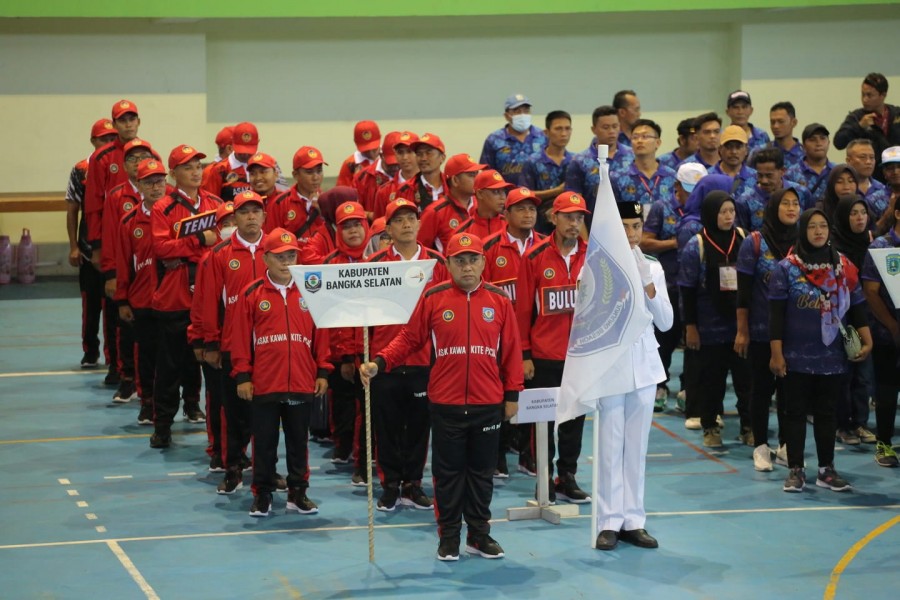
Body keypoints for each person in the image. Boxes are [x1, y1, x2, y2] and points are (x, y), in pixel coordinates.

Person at [360, 232, 524, 561]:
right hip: (446, 404)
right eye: (459, 260)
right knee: (447, 476)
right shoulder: (434, 298)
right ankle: (448, 537)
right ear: (446, 264)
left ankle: (479, 535)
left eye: (473, 259)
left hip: (487, 404)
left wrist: (512, 395)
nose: (467, 267)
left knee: (481, 474)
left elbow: (512, 353)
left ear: (483, 262)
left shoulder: (499, 301)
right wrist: (380, 362)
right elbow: (408, 338)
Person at [769, 209, 872, 492]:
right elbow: (776, 316)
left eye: (823, 226)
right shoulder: (786, 268)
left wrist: (867, 340)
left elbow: (859, 307)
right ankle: (796, 470)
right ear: (802, 231)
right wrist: (776, 354)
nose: (818, 231)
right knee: (795, 413)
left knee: (828, 414)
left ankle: (826, 470)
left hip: (833, 356)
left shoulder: (843, 267)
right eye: (812, 226)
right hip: (795, 357)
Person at [231, 228, 331, 516]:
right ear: (266, 258)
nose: (286, 260)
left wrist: (323, 371)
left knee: (299, 442)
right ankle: (262, 494)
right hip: (264, 383)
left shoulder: (310, 291)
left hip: (301, 381)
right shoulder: (251, 293)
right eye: (280, 256)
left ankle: (298, 493)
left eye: (291, 255)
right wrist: (243, 376)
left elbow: (321, 334)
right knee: (264, 443)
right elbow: (240, 338)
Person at [593, 200, 673, 552]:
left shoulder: (653, 267)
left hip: (643, 364)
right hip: (611, 364)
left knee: (636, 447)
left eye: (636, 227)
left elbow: (667, 322)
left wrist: (648, 286)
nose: (631, 234)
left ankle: (633, 521)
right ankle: (608, 522)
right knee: (610, 445)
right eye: (624, 227)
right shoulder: (596, 265)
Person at [366, 198, 448, 511]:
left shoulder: (437, 264)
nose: (406, 224)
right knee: (386, 429)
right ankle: (389, 485)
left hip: (424, 361)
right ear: (387, 228)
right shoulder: (374, 265)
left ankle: (413, 483)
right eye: (398, 220)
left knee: (418, 427)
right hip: (383, 360)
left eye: (411, 218)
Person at [515, 192, 591, 503]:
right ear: (553, 218)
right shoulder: (533, 257)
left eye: (580, 218)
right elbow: (521, 311)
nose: (575, 223)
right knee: (543, 420)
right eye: (569, 217)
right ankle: (543, 478)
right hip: (544, 356)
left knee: (575, 419)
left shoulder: (594, 256)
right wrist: (524, 354)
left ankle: (567, 475)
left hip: (581, 355)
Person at [148, 144, 221, 448]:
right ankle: (162, 425)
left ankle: (218, 436)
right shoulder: (162, 207)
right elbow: (162, 249)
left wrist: (189, 248)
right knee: (169, 367)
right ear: (173, 173)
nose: (195, 172)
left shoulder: (216, 203)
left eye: (198, 166)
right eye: (188, 167)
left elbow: (225, 240)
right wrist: (198, 241)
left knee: (215, 370)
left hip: (210, 297)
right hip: (176, 297)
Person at [199, 190, 269, 491]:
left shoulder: (279, 251)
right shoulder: (218, 255)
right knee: (233, 412)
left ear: (264, 215)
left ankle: (266, 470)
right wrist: (211, 343)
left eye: (256, 211)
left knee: (268, 412)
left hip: (271, 348)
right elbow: (207, 301)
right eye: (244, 212)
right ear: (234, 218)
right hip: (232, 347)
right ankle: (234, 467)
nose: (251, 217)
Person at [678, 190, 752, 447]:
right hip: (709, 326)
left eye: (731, 211)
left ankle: (748, 427)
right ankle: (710, 426)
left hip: (741, 324)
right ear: (711, 213)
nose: (729, 216)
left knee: (746, 380)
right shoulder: (695, 245)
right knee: (712, 381)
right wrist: (691, 328)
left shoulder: (745, 239)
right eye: (723, 212)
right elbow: (686, 289)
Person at [735, 188, 800, 470]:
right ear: (773, 208)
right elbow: (743, 292)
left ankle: (786, 445)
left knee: (790, 392)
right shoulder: (755, 242)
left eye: (795, 203)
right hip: (762, 331)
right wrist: (742, 330)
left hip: (796, 333)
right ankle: (761, 446)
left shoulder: (804, 241)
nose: (791, 208)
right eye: (785, 203)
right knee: (761, 390)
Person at [482, 186, 545, 476]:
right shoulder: (488, 248)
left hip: (535, 338)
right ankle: (496, 454)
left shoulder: (546, 245)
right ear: (505, 214)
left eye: (532, 208)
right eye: (521, 208)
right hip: (495, 339)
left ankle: (528, 454)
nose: (528, 213)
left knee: (534, 398)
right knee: (499, 397)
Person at [642, 163, 707, 410]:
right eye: (689, 189)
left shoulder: (709, 208)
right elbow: (645, 242)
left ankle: (688, 388)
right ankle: (660, 384)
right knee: (664, 338)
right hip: (667, 284)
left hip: (698, 288)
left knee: (693, 341)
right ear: (677, 186)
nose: (693, 195)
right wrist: (678, 243)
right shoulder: (662, 207)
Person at [102, 138, 159, 402]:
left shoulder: (165, 193)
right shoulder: (116, 197)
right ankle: (127, 380)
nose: (138, 163)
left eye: (143, 157)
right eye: (132, 159)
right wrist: (112, 273)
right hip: (130, 276)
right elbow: (112, 238)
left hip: (159, 280)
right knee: (127, 328)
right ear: (124, 165)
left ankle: (156, 386)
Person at [321, 201, 373, 485]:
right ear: (337, 230)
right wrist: (341, 357)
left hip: (370, 352)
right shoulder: (329, 265)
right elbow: (327, 315)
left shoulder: (378, 261)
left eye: (357, 224)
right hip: (339, 352)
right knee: (342, 407)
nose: (353, 231)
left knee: (367, 411)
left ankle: (363, 462)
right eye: (346, 226)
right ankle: (342, 447)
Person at [114, 157, 168, 426]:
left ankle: (181, 405)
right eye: (149, 182)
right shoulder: (129, 222)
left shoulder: (177, 215)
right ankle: (147, 405)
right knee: (146, 356)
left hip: (172, 301)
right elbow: (123, 264)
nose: (156, 187)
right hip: (142, 300)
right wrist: (123, 300)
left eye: (160, 181)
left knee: (172, 358)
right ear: (138, 184)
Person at [66, 118, 118, 370]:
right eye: (103, 139)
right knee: (91, 305)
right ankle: (90, 350)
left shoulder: (122, 163)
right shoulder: (80, 169)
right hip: (88, 250)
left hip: (114, 251)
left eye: (111, 139)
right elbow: (72, 209)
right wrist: (74, 246)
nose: (108, 143)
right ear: (93, 141)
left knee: (112, 307)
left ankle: (112, 356)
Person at [830, 196, 876, 447]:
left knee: (864, 375)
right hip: (842, 320)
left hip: (867, 316)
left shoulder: (873, 242)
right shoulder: (833, 248)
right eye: (853, 213)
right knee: (845, 374)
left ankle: (860, 422)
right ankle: (843, 425)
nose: (860, 218)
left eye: (863, 212)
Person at [861, 200, 900, 467]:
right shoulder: (881, 247)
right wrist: (893, 326)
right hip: (888, 334)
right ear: (897, 213)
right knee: (887, 391)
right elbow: (871, 293)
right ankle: (884, 444)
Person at [84, 99, 141, 273]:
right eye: (122, 121)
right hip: (113, 238)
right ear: (114, 125)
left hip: (143, 238)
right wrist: (97, 246)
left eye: (132, 120)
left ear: (139, 122)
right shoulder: (101, 158)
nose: (128, 125)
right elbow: (94, 205)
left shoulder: (151, 155)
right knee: (114, 293)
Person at [565, 106, 633, 226]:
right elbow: (574, 206)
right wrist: (585, 241)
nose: (611, 131)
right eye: (606, 127)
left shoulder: (632, 156)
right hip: (594, 228)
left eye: (615, 126)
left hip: (628, 229)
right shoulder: (579, 161)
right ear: (594, 129)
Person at [834, 73, 900, 182]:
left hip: (896, 175)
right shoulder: (856, 117)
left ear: (882, 95)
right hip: (870, 180)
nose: (864, 99)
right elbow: (839, 142)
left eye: (869, 95)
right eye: (862, 94)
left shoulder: (897, 114)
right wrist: (859, 127)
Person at [418, 153, 486, 252]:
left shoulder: (482, 206)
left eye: (477, 174)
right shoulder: (434, 212)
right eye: (471, 175)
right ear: (455, 180)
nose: (478, 179)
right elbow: (421, 250)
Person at [520, 111, 573, 235]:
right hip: (539, 230)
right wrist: (556, 191)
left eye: (567, 129)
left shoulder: (576, 162)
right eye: (558, 129)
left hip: (570, 228)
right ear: (546, 132)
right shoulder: (532, 162)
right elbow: (524, 195)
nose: (564, 134)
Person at [736, 148, 810, 232]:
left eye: (769, 176)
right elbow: (741, 235)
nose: (764, 181)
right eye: (760, 175)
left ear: (782, 171)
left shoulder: (801, 193)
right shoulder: (745, 201)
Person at [479, 93, 547, 185]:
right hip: (505, 197)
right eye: (517, 111)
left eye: (526, 111)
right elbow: (486, 175)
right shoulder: (494, 140)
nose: (522, 115)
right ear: (507, 116)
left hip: (539, 197)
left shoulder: (542, 137)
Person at [266, 146, 327, 246]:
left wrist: (323, 214)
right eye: (309, 172)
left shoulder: (329, 202)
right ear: (295, 175)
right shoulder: (279, 204)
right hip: (293, 261)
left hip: (322, 260)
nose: (316, 177)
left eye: (319, 171)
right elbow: (270, 243)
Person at [615, 119, 677, 214]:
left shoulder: (672, 177)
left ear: (658, 143)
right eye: (635, 137)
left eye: (645, 137)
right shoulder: (618, 177)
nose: (639, 141)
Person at [202, 122, 259, 201]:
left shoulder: (264, 166)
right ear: (232, 144)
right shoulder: (218, 170)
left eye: (249, 151)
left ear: (258, 143)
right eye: (241, 150)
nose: (245, 154)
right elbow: (209, 204)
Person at [784, 123, 834, 208]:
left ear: (828, 143)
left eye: (822, 138)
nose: (818, 143)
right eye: (812, 139)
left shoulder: (836, 171)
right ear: (803, 146)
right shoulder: (792, 173)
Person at [454, 170, 513, 241]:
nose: (503, 197)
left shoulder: (512, 227)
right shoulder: (462, 233)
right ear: (480, 194)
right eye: (496, 192)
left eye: (504, 191)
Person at [373, 131, 420, 219]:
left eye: (409, 151)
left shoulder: (433, 185)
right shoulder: (384, 191)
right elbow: (379, 227)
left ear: (418, 153)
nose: (405, 157)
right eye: (400, 152)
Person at [845, 139, 890, 223]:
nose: (869, 161)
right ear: (848, 161)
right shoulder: (842, 190)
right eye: (862, 157)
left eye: (872, 157)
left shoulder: (883, 189)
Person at [711, 125, 756, 200]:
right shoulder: (708, 176)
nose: (734, 152)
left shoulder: (755, 177)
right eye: (729, 147)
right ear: (720, 149)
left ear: (746, 150)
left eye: (738, 147)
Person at [336, 120, 381, 187]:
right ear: (355, 142)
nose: (371, 154)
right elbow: (342, 193)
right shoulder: (350, 164)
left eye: (374, 149)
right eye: (366, 151)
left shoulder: (388, 157)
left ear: (380, 137)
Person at [767, 102, 804, 171]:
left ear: (794, 122)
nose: (776, 126)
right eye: (772, 122)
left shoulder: (805, 154)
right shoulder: (760, 152)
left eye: (781, 121)